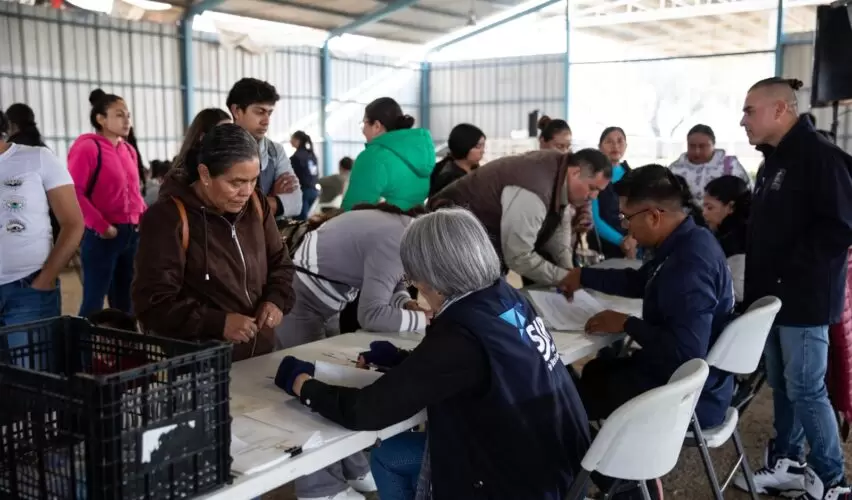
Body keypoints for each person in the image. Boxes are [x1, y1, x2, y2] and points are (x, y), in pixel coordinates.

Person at [273, 208, 591, 500]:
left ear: (433, 276)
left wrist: (303, 385)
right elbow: (478, 365)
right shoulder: (504, 296)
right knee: (392, 454)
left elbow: (365, 411)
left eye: (413, 280)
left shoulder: (460, 332)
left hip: (516, 481)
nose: (416, 288)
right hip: (561, 461)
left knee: (390, 457)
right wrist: (403, 361)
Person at [561, 164, 735, 497]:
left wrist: (627, 324)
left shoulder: (688, 267)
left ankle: (626, 485)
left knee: (569, 404)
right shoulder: (688, 239)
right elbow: (643, 280)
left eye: (627, 218)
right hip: (692, 379)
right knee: (596, 372)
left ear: (654, 216)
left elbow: (687, 355)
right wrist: (584, 276)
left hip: (689, 394)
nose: (626, 228)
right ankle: (622, 473)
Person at [733, 77, 852, 500]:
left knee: (806, 387)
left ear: (780, 109)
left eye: (749, 110)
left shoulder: (820, 157)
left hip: (803, 297)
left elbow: (840, 227)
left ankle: (832, 481)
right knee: (783, 384)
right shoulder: (773, 161)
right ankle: (788, 461)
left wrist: (789, 273)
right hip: (774, 300)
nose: (743, 120)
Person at [131, 123, 295, 362]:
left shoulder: (257, 205)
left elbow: (281, 262)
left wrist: (276, 300)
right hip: (201, 365)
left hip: (259, 355)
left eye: (253, 180)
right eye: (236, 182)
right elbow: (152, 304)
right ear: (205, 174)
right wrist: (218, 323)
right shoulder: (169, 218)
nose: (246, 192)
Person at [428, 148, 611, 288]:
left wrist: (569, 270)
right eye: (592, 188)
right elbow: (518, 255)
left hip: (482, 243)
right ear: (576, 173)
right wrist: (563, 278)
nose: (593, 196)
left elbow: (558, 222)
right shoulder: (534, 188)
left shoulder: (558, 171)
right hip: (453, 241)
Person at [276, 203, 429, 349]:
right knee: (306, 367)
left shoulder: (407, 229)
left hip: (329, 298)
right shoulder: (397, 241)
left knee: (327, 364)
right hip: (304, 297)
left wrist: (406, 304)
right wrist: (426, 320)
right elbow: (371, 315)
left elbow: (391, 277)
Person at [0, 108, 84, 342]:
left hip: (28, 290)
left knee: (33, 374)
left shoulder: (37, 158)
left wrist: (46, 278)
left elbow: (73, 223)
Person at [68, 89, 146, 318]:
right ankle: (80, 351)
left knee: (125, 302)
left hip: (130, 234)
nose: (127, 121)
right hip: (103, 235)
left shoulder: (128, 150)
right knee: (94, 300)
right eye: (119, 115)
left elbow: (135, 193)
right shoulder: (87, 148)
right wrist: (102, 226)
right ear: (101, 119)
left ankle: (123, 352)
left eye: (128, 115)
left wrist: (144, 217)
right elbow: (75, 193)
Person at [341, 97, 434, 211]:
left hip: (383, 227)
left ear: (376, 126)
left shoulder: (373, 157)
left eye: (364, 124)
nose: (363, 131)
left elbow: (352, 211)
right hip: (416, 225)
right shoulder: (420, 156)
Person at [226, 78, 302, 218]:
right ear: (237, 111)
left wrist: (256, 205)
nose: (266, 121)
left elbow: (296, 203)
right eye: (260, 112)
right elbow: (228, 209)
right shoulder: (218, 148)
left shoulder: (275, 151)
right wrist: (272, 198)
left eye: (269, 113)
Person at [668, 124, 751, 204]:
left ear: (713, 145)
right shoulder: (674, 170)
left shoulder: (730, 166)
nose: (697, 151)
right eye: (692, 146)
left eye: (702, 146)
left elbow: (747, 194)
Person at [589, 126, 635, 259]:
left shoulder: (634, 176)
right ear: (600, 147)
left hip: (634, 244)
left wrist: (633, 240)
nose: (615, 145)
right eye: (609, 141)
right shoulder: (594, 177)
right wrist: (621, 241)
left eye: (620, 141)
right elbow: (595, 219)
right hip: (603, 247)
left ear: (626, 146)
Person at [702, 175, 750, 304]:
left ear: (731, 207)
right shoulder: (737, 234)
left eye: (710, 207)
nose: (704, 213)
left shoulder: (736, 242)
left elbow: (737, 292)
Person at [428, 123, 485, 198]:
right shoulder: (450, 180)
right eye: (478, 146)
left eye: (483, 146)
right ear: (464, 146)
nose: (483, 151)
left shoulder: (475, 169)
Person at [290, 130, 320, 220]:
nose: (290, 141)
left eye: (292, 139)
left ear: (298, 140)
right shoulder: (311, 154)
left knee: (300, 222)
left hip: (303, 192)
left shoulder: (296, 157)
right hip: (314, 191)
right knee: (307, 220)